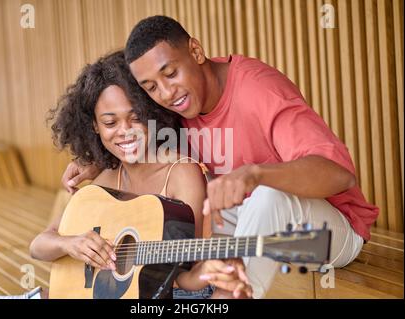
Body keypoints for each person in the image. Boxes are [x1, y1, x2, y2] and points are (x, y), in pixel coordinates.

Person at [62, 16, 379, 298]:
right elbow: (142, 141)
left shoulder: (259, 90)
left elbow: (340, 174)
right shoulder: (181, 106)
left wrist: (256, 174)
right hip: (259, 230)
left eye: (170, 73)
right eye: (151, 88)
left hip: (328, 233)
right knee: (183, 204)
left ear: (196, 52)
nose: (167, 93)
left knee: (266, 197)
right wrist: (96, 161)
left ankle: (230, 295)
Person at [0, 50, 252, 299]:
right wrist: (70, 244)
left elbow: (182, 275)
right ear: (94, 126)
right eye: (110, 122)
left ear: (152, 115)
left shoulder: (181, 174)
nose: (125, 131)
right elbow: (39, 246)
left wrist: (212, 273)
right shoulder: (107, 177)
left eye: (136, 117)